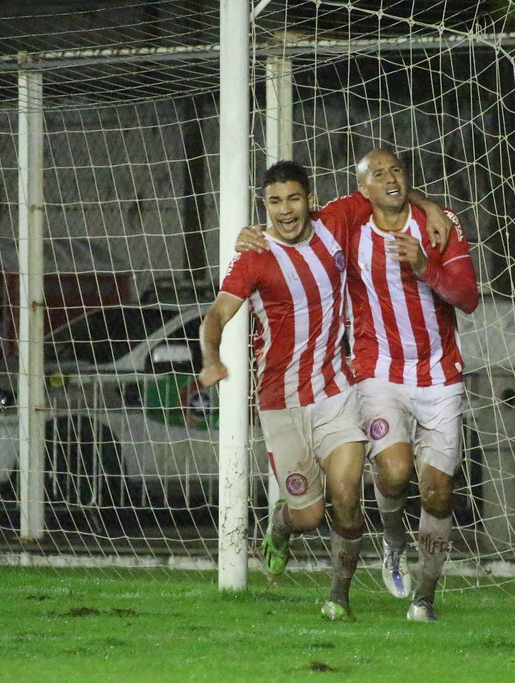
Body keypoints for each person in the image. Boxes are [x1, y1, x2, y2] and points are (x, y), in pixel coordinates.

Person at [237, 148, 479, 622]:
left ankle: (424, 599)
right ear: (361, 191)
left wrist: (424, 261)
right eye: (378, 175)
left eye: (397, 172)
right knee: (393, 472)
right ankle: (392, 542)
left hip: (440, 375)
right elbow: (294, 224)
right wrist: (254, 234)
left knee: (437, 491)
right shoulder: (349, 225)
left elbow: (467, 297)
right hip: (377, 371)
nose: (390, 180)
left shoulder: (440, 221)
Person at [199, 160, 370, 621]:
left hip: (336, 391)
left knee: (347, 493)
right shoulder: (253, 255)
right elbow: (214, 316)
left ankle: (339, 597)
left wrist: (431, 211)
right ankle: (279, 526)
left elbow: (385, 188)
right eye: (275, 201)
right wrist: (212, 358)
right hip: (281, 401)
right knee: (309, 516)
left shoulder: (336, 221)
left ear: (310, 200)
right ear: (265, 206)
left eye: (293, 198)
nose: (285, 210)